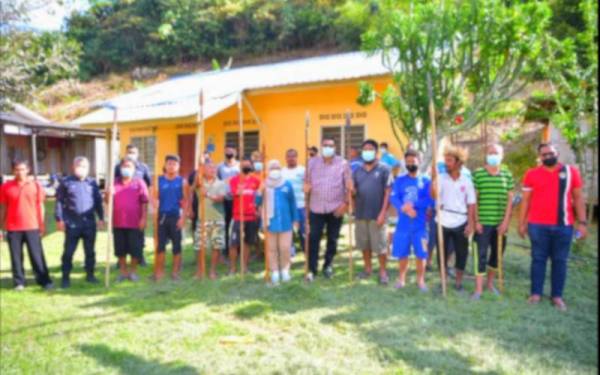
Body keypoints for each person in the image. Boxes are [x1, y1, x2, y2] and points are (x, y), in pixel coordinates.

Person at [518, 143, 587, 311]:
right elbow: (525, 200)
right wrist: (522, 223)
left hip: (563, 226)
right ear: (540, 157)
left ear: (557, 153)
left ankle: (557, 296)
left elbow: (578, 198)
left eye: (551, 153)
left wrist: (583, 223)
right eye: (544, 154)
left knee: (560, 261)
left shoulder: (571, 172)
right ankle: (536, 294)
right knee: (538, 260)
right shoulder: (531, 174)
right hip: (537, 225)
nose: (548, 156)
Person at [0, 159, 53, 291]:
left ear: (28, 170)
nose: (20, 172)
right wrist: (1, 227)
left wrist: (42, 225)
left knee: (37, 256)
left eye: (23, 169)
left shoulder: (35, 185)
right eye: (17, 169)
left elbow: (41, 206)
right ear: (13, 171)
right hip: (13, 228)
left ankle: (44, 281)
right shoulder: (6, 187)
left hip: (32, 226)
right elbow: (3, 208)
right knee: (16, 257)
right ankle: (19, 282)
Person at [471, 143, 515, 299]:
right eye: (490, 152)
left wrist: (505, 222)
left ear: (502, 156)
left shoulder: (507, 175)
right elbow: (474, 200)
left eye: (496, 153)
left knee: (497, 255)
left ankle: (489, 284)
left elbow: (510, 201)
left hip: (500, 224)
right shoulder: (478, 174)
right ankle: (478, 289)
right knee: (480, 255)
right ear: (486, 155)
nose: (493, 155)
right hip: (482, 223)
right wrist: (476, 221)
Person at [304, 137, 352, 281]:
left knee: (333, 238)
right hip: (316, 207)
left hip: (335, 208)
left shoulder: (343, 163)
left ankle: (328, 265)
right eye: (325, 145)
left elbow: (349, 186)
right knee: (313, 238)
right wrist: (305, 188)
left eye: (330, 145)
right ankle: (312, 268)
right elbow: (305, 183)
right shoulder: (311, 162)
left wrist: (345, 204)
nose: (327, 148)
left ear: (335, 147)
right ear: (321, 147)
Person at [431, 145, 476, 292]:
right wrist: (433, 181)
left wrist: (471, 223)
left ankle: (458, 283)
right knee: (442, 254)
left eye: (449, 160)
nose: (446, 163)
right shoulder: (441, 178)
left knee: (461, 253)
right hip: (442, 221)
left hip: (461, 221)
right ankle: (442, 282)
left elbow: (471, 204)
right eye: (445, 160)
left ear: (458, 162)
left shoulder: (467, 181)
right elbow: (434, 195)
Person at [55, 156, 105, 288]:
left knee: (90, 251)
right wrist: (59, 219)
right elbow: (59, 202)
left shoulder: (92, 183)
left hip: (89, 223)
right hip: (72, 223)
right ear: (73, 167)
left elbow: (98, 202)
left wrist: (101, 218)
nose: (81, 169)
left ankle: (90, 275)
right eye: (78, 166)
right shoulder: (65, 182)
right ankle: (65, 277)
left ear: (88, 168)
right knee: (68, 252)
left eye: (83, 166)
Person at [390, 149, 432, 291]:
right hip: (403, 225)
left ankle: (421, 281)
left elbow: (431, 200)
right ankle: (401, 279)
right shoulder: (400, 180)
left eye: (413, 161)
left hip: (420, 226)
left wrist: (414, 205)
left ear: (419, 162)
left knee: (421, 254)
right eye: (407, 162)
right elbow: (393, 197)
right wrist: (404, 208)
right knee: (403, 253)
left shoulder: (426, 181)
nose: (410, 164)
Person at [352, 139, 392, 284]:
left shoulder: (384, 169)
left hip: (377, 214)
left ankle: (382, 271)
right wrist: (351, 190)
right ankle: (367, 268)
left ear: (375, 152)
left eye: (370, 149)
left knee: (380, 245)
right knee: (364, 244)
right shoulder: (357, 171)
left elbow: (388, 192)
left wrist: (383, 213)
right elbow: (353, 193)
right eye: (365, 149)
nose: (367, 151)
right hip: (361, 213)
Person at [111, 156, 149, 282]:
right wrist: (107, 193)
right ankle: (123, 272)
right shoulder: (113, 183)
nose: (126, 168)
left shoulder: (139, 183)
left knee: (135, 249)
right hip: (118, 222)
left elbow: (144, 202)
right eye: (124, 166)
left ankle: (133, 272)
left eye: (129, 166)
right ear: (120, 168)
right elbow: (107, 201)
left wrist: (143, 218)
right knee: (120, 249)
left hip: (134, 222)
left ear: (134, 169)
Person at [114, 144, 152, 266]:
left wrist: (147, 199)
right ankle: (121, 261)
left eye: (133, 152)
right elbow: (115, 184)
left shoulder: (143, 167)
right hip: (121, 208)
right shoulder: (118, 167)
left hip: (137, 205)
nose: (131, 154)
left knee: (138, 235)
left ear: (138, 153)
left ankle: (140, 256)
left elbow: (148, 184)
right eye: (129, 152)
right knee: (120, 238)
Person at [264, 160, 299, 285]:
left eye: (277, 167)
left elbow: (293, 203)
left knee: (285, 248)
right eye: (272, 167)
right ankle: (274, 271)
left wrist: (296, 219)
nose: (275, 170)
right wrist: (258, 191)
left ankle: (285, 270)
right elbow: (257, 202)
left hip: (286, 222)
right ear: (268, 169)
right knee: (271, 248)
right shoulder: (264, 184)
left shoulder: (287, 184)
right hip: (270, 222)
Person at [153, 155, 187, 281]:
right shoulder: (158, 180)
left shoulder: (182, 182)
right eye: (169, 164)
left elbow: (186, 201)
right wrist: (154, 201)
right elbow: (154, 196)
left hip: (175, 217)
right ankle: (159, 272)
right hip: (162, 217)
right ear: (165, 165)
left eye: (174, 164)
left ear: (178, 166)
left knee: (176, 246)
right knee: (160, 246)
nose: (171, 166)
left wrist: (183, 218)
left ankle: (175, 272)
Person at [194, 161, 227, 279]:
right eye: (209, 168)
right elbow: (194, 178)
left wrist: (207, 194)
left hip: (217, 219)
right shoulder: (199, 182)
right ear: (204, 170)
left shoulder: (221, 183)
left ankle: (213, 270)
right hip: (202, 219)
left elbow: (220, 199)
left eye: (214, 168)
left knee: (216, 246)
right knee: (200, 246)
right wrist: (200, 163)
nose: (212, 170)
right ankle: (200, 270)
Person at [229, 157, 261, 274]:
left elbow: (260, 197)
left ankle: (244, 267)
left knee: (247, 242)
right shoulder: (234, 180)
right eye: (243, 165)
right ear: (240, 166)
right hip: (238, 216)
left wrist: (259, 208)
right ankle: (232, 268)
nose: (246, 167)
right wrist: (239, 189)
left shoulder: (256, 181)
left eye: (248, 165)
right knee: (234, 243)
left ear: (251, 166)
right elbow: (234, 193)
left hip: (251, 216)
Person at [217, 144, 240, 261]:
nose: (229, 153)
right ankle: (225, 250)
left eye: (231, 151)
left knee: (238, 225)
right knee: (224, 225)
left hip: (237, 199)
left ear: (235, 152)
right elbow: (216, 181)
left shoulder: (240, 166)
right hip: (224, 199)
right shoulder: (220, 167)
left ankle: (239, 249)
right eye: (227, 151)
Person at [281, 149, 306, 257]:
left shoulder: (303, 170)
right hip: (286, 207)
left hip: (301, 206)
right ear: (285, 158)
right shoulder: (282, 172)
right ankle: (290, 254)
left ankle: (307, 254)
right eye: (289, 156)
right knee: (287, 231)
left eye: (293, 156)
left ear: (297, 157)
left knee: (303, 232)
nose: (291, 158)